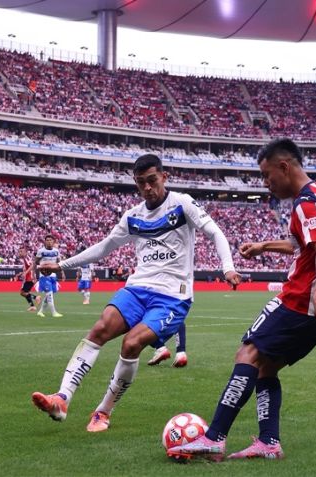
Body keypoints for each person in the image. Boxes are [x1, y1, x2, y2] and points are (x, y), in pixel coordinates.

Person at [30, 153, 240, 433]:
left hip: (172, 297)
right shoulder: (133, 216)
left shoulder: (182, 203)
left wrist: (227, 268)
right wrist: (61, 265)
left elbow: (215, 233)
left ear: (164, 177)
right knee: (100, 328)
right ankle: (62, 398)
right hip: (137, 288)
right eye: (141, 183)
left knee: (131, 343)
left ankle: (103, 412)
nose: (148, 188)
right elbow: (104, 247)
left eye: (152, 180)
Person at [168, 138, 316, 461]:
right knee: (266, 366)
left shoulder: (305, 203)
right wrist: (263, 246)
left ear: (284, 167)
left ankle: (214, 438)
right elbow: (301, 244)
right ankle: (268, 442)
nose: (266, 183)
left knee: (248, 352)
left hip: (303, 300)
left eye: (267, 175)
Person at [34, 235, 62, 318]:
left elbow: (59, 263)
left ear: (53, 242)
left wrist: (62, 272)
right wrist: (37, 271)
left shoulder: (56, 251)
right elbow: (36, 262)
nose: (49, 242)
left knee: (48, 295)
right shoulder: (41, 251)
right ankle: (54, 312)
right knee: (49, 294)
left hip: (53, 275)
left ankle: (40, 311)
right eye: (47, 240)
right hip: (44, 275)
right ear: (45, 242)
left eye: (51, 240)